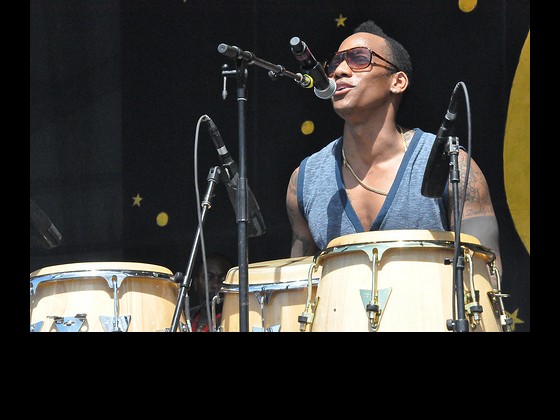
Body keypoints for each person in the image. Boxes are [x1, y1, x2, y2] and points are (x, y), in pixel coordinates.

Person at [286, 20, 502, 278]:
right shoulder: (305, 180)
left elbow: (488, 278)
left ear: (397, 82)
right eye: (335, 63)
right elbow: (298, 287)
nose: (339, 71)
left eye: (358, 59)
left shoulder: (452, 163)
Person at [188, 252, 234, 332]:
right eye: (209, 277)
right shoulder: (186, 320)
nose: (216, 285)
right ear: (195, 284)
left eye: (223, 278)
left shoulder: (235, 322)